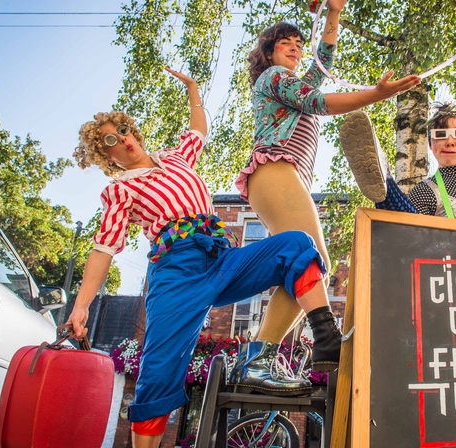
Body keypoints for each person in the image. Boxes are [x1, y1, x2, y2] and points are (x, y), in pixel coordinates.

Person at [67, 68, 340, 448]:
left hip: (218, 258)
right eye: (109, 140)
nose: (122, 140)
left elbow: (198, 130)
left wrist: (194, 90)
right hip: (176, 274)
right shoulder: (120, 188)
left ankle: (327, 337)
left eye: (122, 130)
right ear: (106, 154)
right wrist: (82, 306)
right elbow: (103, 249)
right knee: (158, 375)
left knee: (296, 244)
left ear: (133, 131)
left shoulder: (176, 160)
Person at [230, 0, 421, 394]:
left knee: (311, 263)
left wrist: (333, 13)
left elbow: (324, 62)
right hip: (274, 170)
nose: (296, 49)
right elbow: (320, 102)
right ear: (268, 53)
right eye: (286, 43)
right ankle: (314, 338)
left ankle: (260, 357)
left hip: (286, 177)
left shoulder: (294, 78)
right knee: (309, 257)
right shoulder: (274, 79)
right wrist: (377, 94)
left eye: (299, 44)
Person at [340, 45, 456, 224]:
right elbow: (413, 242)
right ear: (430, 145)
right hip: (445, 251)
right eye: (441, 135)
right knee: (408, 223)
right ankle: (384, 183)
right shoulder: (425, 192)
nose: (449, 141)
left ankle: (386, 182)